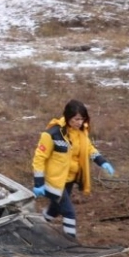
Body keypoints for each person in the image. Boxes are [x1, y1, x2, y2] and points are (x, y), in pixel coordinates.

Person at [32, 99, 115, 238]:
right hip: (53, 181)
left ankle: (36, 228)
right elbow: (39, 158)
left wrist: (102, 162)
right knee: (69, 212)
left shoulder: (81, 133)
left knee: (55, 209)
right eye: (76, 119)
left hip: (69, 180)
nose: (79, 123)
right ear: (68, 117)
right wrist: (39, 183)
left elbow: (88, 148)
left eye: (82, 119)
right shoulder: (52, 134)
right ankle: (70, 242)